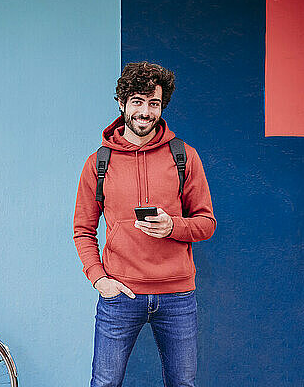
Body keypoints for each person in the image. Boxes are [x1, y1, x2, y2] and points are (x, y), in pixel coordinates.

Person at [73, 61, 216, 387]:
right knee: (105, 383)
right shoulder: (99, 162)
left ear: (161, 106)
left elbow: (206, 223)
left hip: (178, 296)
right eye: (137, 101)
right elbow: (82, 230)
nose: (145, 111)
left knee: (182, 384)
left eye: (154, 103)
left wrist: (173, 228)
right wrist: (99, 280)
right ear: (122, 103)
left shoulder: (184, 156)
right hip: (121, 294)